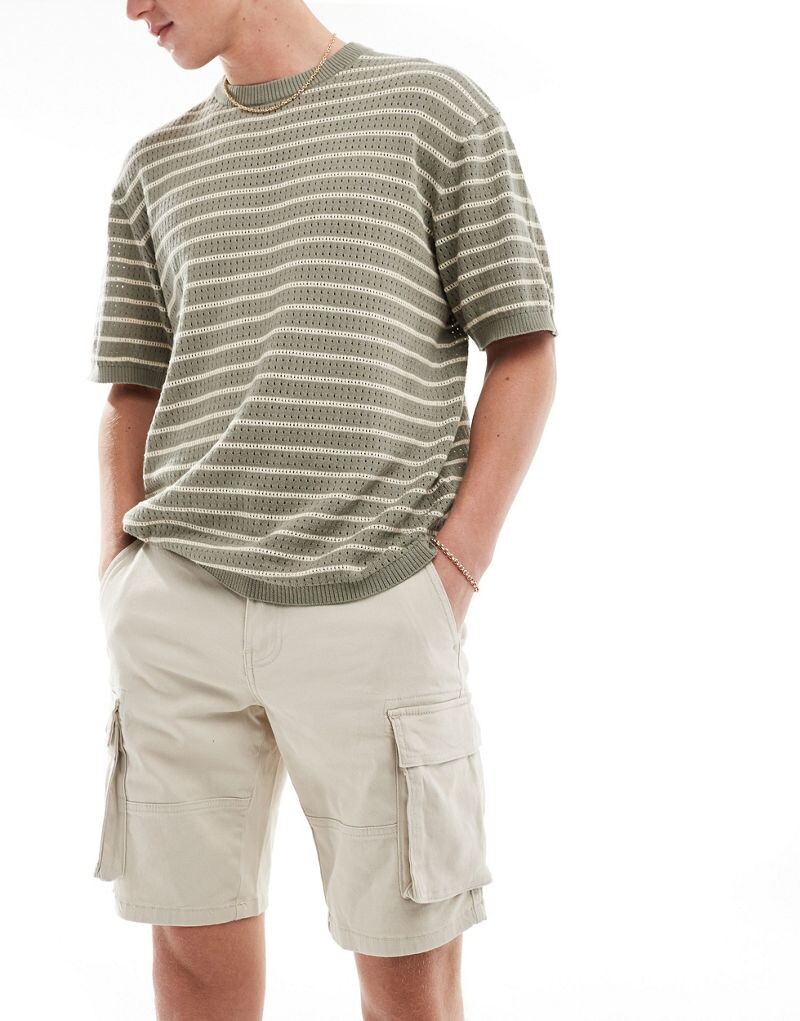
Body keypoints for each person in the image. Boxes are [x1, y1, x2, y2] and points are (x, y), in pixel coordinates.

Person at [89, 1, 558, 1017]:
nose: (129, 6)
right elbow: (132, 388)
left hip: (376, 598)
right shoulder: (154, 167)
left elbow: (522, 347)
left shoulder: (432, 110)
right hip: (178, 608)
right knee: (191, 956)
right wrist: (118, 574)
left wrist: (453, 571)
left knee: (408, 969)